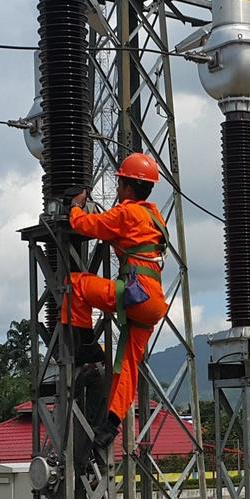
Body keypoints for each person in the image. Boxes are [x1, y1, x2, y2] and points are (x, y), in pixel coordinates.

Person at [65, 153, 170, 450]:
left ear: (125, 185)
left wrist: (74, 207)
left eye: (119, 181)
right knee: (128, 365)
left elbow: (85, 226)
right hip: (153, 302)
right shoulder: (154, 217)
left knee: (75, 285)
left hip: (135, 293)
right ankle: (110, 424)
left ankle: (85, 347)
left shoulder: (125, 214)